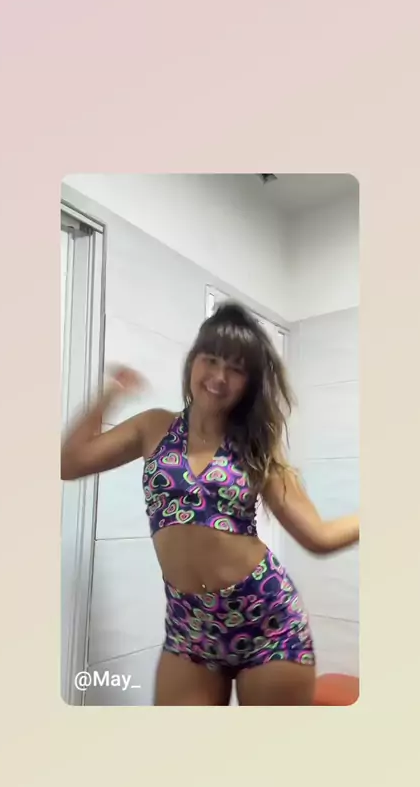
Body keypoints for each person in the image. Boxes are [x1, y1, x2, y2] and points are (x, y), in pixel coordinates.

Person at [61, 301, 359, 706]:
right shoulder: (154, 427)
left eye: (236, 369)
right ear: (193, 361)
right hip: (190, 629)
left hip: (266, 624)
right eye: (211, 360)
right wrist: (110, 394)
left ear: (249, 382)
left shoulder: (255, 447)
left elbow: (318, 536)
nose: (219, 377)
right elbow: (70, 462)